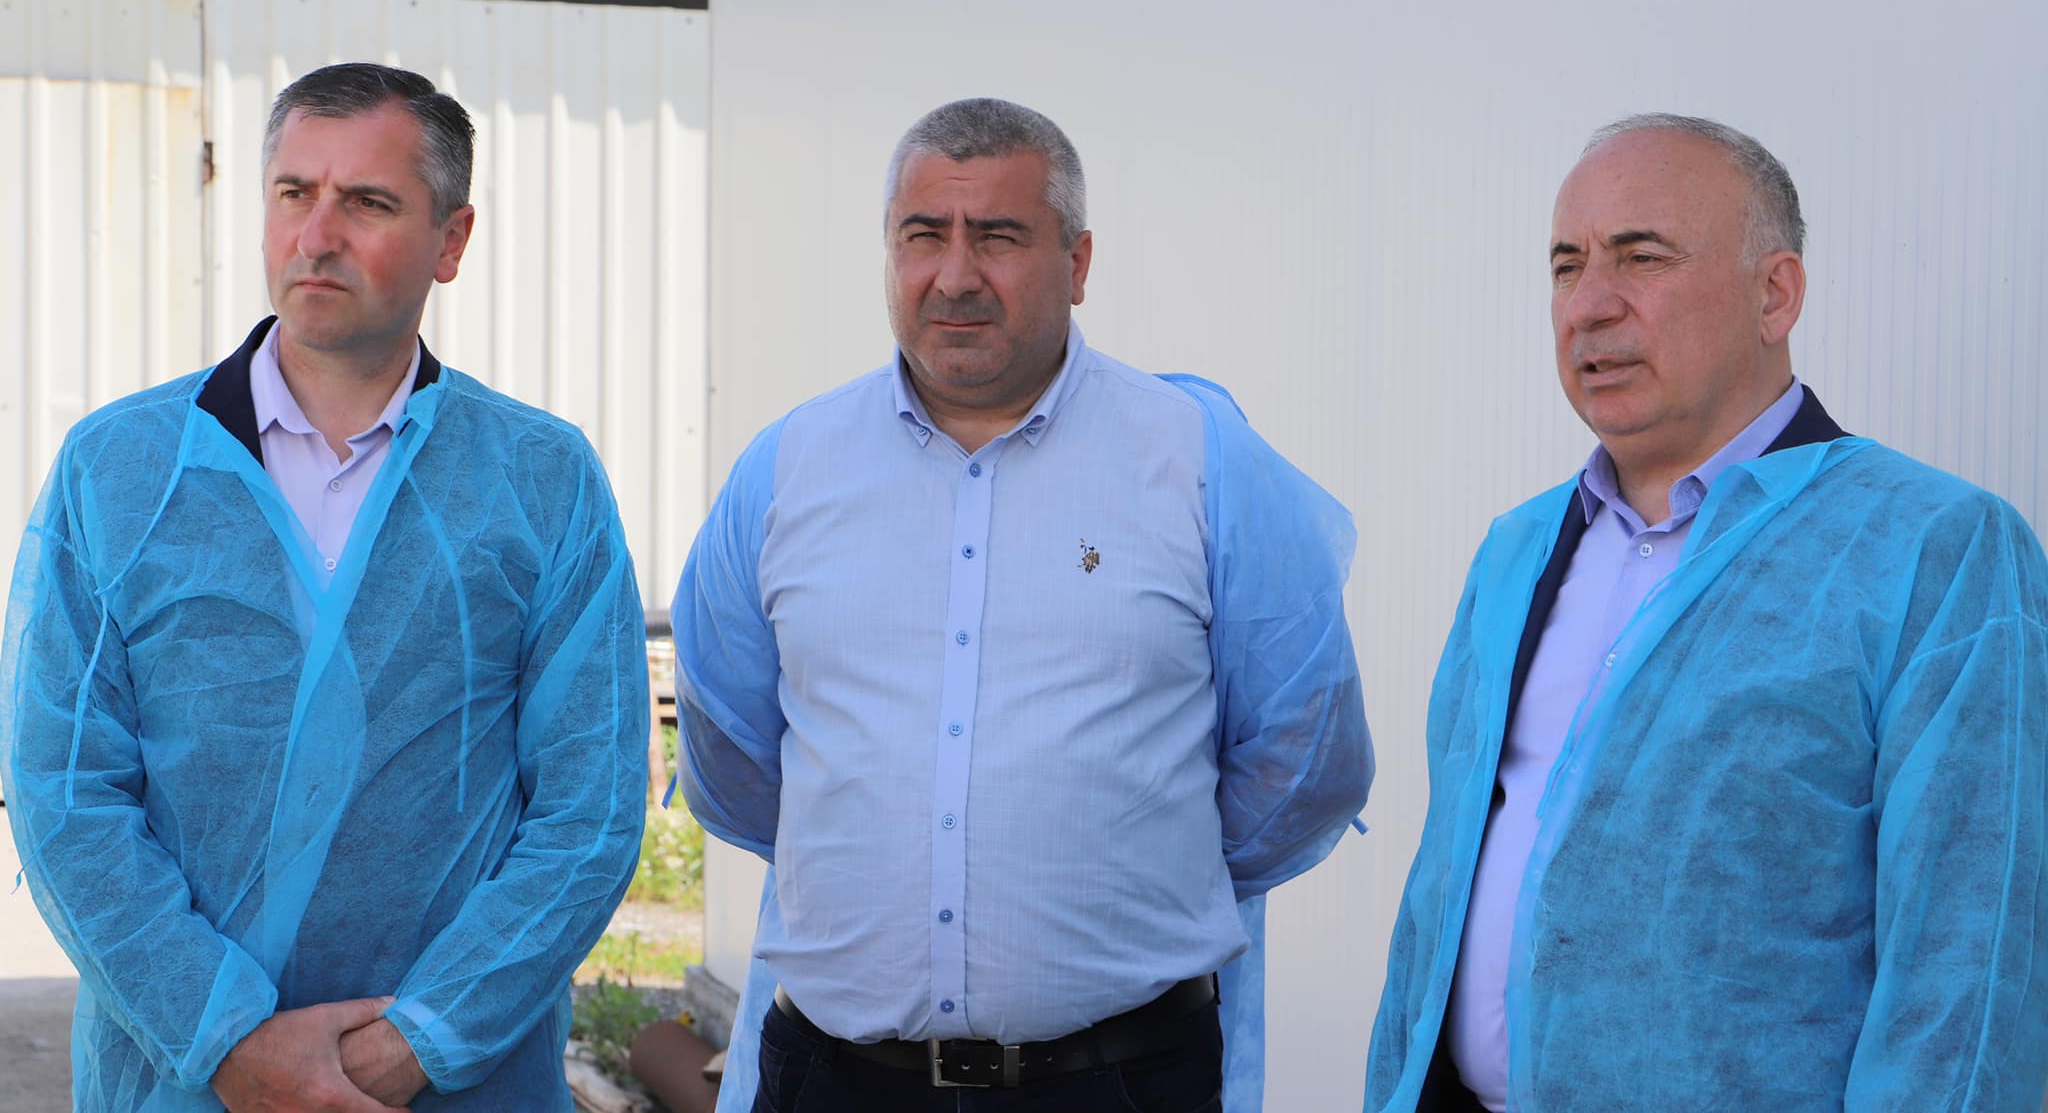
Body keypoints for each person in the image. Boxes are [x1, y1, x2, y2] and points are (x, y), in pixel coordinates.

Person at [671, 97, 1373, 1112]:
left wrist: (1136, 856)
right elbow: (730, 751)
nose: (955, 275)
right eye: (924, 236)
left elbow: (1306, 754)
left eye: (997, 236)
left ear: (1078, 262)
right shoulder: (786, 469)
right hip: (837, 1080)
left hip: (1116, 1081)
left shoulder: (1199, 460)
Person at [1365, 114, 2048, 1111]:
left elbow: (1968, 973)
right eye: (1566, 265)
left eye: (1641, 257)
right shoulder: (1517, 549)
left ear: (1775, 294)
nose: (1588, 305)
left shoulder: (1932, 547)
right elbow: (1436, 908)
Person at [0, 62, 649, 1111]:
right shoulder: (121, 470)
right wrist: (224, 1039)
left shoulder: (540, 481)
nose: (317, 234)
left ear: (451, 240)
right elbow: (63, 790)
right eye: (294, 192)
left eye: (368, 202)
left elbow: (590, 812)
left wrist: (414, 1044)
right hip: (180, 1080)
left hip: (447, 1084)